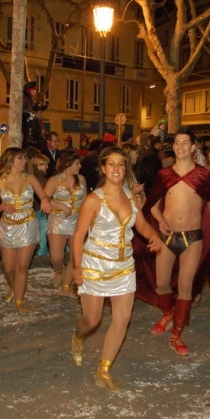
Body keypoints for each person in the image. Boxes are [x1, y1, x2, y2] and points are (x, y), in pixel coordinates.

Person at [70, 147, 161, 392]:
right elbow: (78, 236)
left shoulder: (131, 197)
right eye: (111, 163)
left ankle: (103, 370)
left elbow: (141, 225)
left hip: (124, 267)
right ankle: (78, 336)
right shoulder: (94, 200)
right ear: (103, 168)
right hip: (95, 266)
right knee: (92, 320)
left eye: (121, 163)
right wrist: (77, 267)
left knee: (122, 319)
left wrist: (153, 235)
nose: (117, 168)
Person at [135, 128, 210, 356]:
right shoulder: (164, 174)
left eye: (185, 142)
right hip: (167, 236)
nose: (180, 146)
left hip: (192, 237)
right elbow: (153, 204)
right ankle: (168, 313)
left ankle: (177, 335)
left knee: (186, 286)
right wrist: (160, 221)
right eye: (177, 142)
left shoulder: (203, 175)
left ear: (193, 147)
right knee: (161, 284)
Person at [0, 147, 53, 315]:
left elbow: (44, 195)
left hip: (28, 225)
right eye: (20, 158)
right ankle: (13, 286)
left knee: (22, 267)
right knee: (8, 268)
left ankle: (19, 301)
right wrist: (2, 207)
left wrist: (45, 200)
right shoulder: (0, 182)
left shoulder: (30, 178)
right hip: (8, 227)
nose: (25, 161)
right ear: (11, 161)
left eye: (25, 158)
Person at [44, 151, 87, 296]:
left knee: (75, 255)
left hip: (77, 220)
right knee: (56, 257)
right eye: (77, 163)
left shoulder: (81, 179)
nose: (80, 166)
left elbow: (85, 200)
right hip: (58, 220)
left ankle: (66, 286)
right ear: (68, 164)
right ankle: (59, 269)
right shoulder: (54, 180)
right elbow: (45, 199)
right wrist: (62, 206)